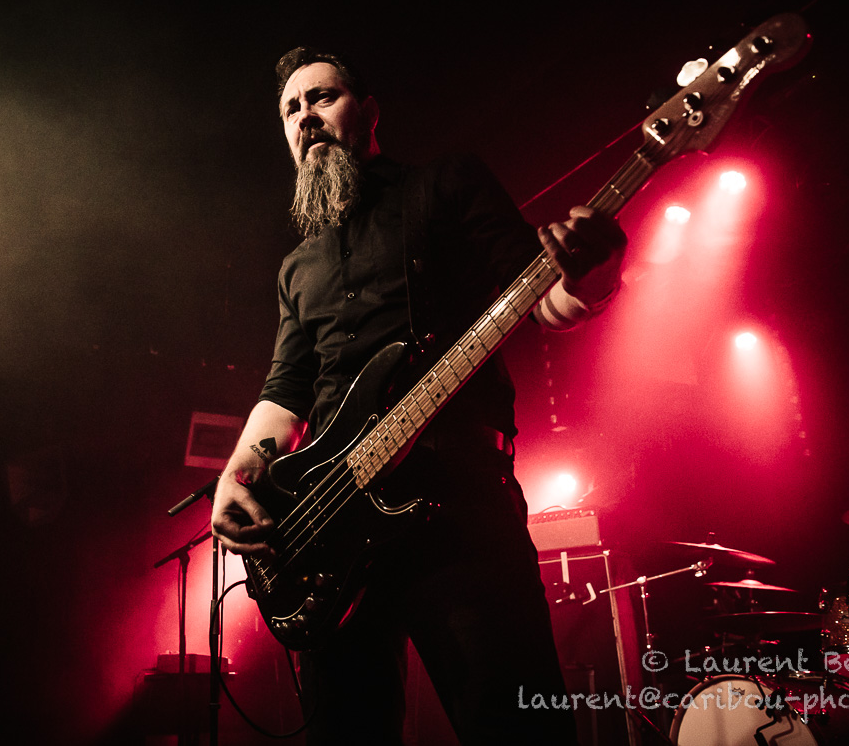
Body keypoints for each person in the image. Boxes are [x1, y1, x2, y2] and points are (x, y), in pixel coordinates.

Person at [210, 47, 626, 744]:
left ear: (370, 112)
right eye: (290, 109)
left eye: (322, 97)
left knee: (512, 724)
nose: (305, 117)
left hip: (458, 508)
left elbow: (540, 296)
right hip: (334, 535)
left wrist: (592, 278)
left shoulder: (445, 184)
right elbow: (286, 388)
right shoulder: (297, 267)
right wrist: (237, 475)